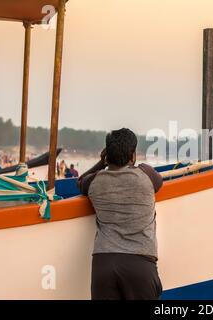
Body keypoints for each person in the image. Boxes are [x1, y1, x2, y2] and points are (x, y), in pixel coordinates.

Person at [77, 128, 163, 300]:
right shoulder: (146, 174)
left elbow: (80, 181)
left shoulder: (95, 181)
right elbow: (159, 182)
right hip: (140, 264)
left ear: (107, 154)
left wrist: (102, 163)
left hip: (104, 264)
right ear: (133, 155)